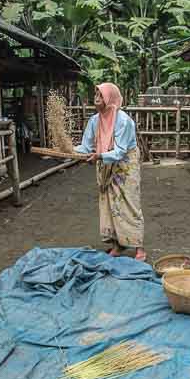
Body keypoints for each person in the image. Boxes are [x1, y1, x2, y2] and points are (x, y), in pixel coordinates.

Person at [75, 83, 146, 261]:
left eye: (101, 95)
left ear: (110, 99)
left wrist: (98, 155)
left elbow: (121, 150)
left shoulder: (123, 121)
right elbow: (86, 146)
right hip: (105, 163)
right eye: (96, 94)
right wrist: (68, 150)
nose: (96, 97)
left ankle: (139, 247)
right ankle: (117, 245)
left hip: (125, 166)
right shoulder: (94, 120)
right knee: (109, 203)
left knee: (128, 202)